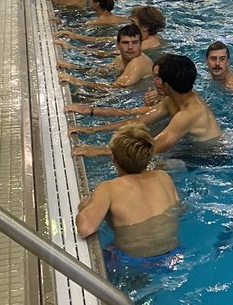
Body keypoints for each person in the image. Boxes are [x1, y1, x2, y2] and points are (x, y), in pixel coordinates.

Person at [72, 53, 222, 157]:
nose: (153, 81)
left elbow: (151, 148)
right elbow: (138, 121)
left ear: (167, 84)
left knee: (157, 165)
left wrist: (99, 151)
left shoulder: (189, 113)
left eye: (157, 78)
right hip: (192, 149)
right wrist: (92, 129)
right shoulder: (173, 100)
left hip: (212, 158)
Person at [75, 124, 182, 264]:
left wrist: (85, 206)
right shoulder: (164, 177)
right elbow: (180, 210)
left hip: (132, 260)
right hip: (174, 255)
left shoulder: (108, 188)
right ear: (148, 156)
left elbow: (85, 229)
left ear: (114, 158)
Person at [60, 23, 153, 90]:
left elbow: (115, 89)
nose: (130, 47)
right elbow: (101, 71)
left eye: (135, 43)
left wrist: (79, 82)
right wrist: (73, 67)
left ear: (141, 44)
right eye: (125, 43)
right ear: (118, 45)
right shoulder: (120, 59)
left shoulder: (138, 63)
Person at [56, 0, 127, 39]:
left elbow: (76, 31)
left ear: (97, 3)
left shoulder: (92, 23)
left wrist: (60, 24)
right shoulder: (124, 19)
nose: (89, 1)